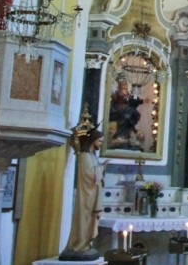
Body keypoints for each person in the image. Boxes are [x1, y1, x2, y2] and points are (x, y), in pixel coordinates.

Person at [61, 129, 107, 260]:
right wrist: (101, 168)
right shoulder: (84, 156)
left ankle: (85, 245)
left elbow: (95, 173)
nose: (101, 144)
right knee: (84, 219)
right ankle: (79, 245)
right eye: (99, 141)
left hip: (92, 194)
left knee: (89, 220)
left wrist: (102, 167)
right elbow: (89, 175)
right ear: (93, 141)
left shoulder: (92, 156)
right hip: (87, 196)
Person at [109, 75, 144, 150]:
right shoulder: (117, 93)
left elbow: (134, 100)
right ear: (120, 86)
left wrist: (142, 100)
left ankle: (132, 129)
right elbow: (115, 100)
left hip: (127, 110)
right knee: (127, 116)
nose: (125, 86)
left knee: (135, 114)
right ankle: (124, 133)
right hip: (118, 110)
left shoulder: (128, 94)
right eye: (123, 85)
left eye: (126, 85)